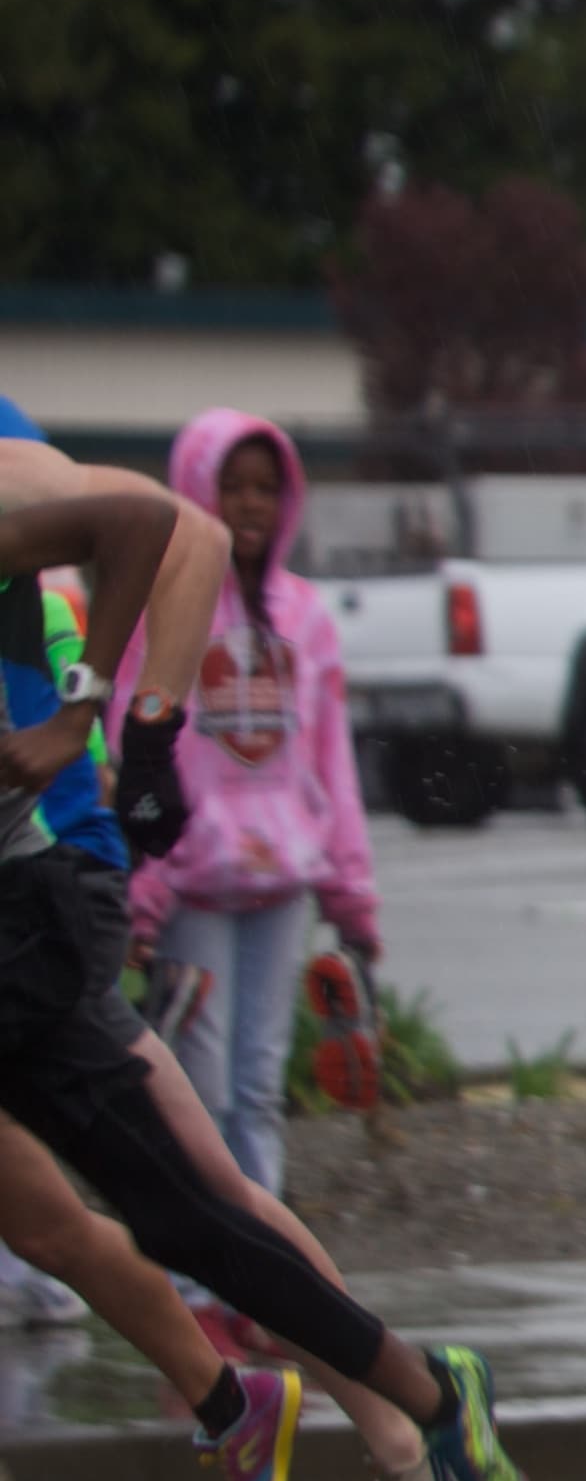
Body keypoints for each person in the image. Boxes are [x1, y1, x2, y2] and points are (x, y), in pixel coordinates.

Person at [0, 437, 523, 1481]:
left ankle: (408, 1409)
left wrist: (122, 726)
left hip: (60, 897)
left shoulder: (12, 469)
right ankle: (287, 1407)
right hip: (87, 891)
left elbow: (158, 530)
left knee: (199, 1198)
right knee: (127, 1215)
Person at [115, 409, 377, 1202]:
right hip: (194, 888)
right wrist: (145, 883)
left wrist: (351, 895)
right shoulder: (161, 612)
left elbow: (331, 760)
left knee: (259, 1091)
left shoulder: (306, 618)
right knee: (200, 1091)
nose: (252, 504)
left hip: (282, 888)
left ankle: (262, 1282)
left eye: (267, 488)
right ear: (196, 492)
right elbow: (137, 742)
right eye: (232, 486)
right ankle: (197, 1290)